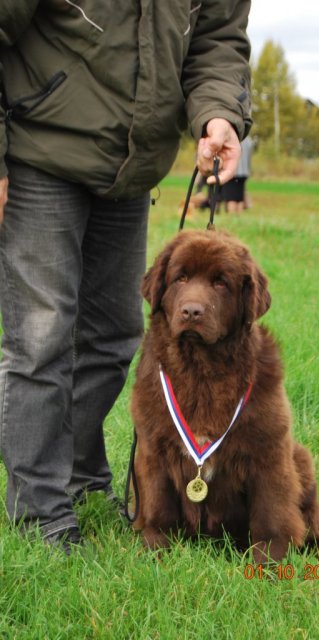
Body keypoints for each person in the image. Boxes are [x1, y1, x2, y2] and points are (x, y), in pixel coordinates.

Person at [0, 1, 252, 551]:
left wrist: (217, 115)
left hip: (130, 166)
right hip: (39, 148)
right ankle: (39, 511)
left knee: (115, 335)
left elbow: (216, 40)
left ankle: (79, 477)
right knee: (41, 340)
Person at [221, 135, 254, 213]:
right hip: (244, 172)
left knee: (231, 197)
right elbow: (249, 158)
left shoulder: (230, 138)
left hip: (231, 171)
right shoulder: (248, 140)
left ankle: (232, 220)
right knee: (239, 198)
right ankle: (238, 218)